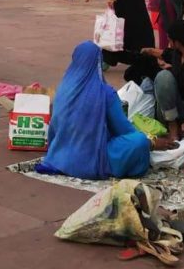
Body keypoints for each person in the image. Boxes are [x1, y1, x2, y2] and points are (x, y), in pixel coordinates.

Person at [37, 41, 155, 180]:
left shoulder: (63, 88)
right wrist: (151, 142)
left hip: (58, 157)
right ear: (98, 63)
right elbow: (123, 130)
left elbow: (55, 128)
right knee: (139, 141)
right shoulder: (104, 92)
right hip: (91, 161)